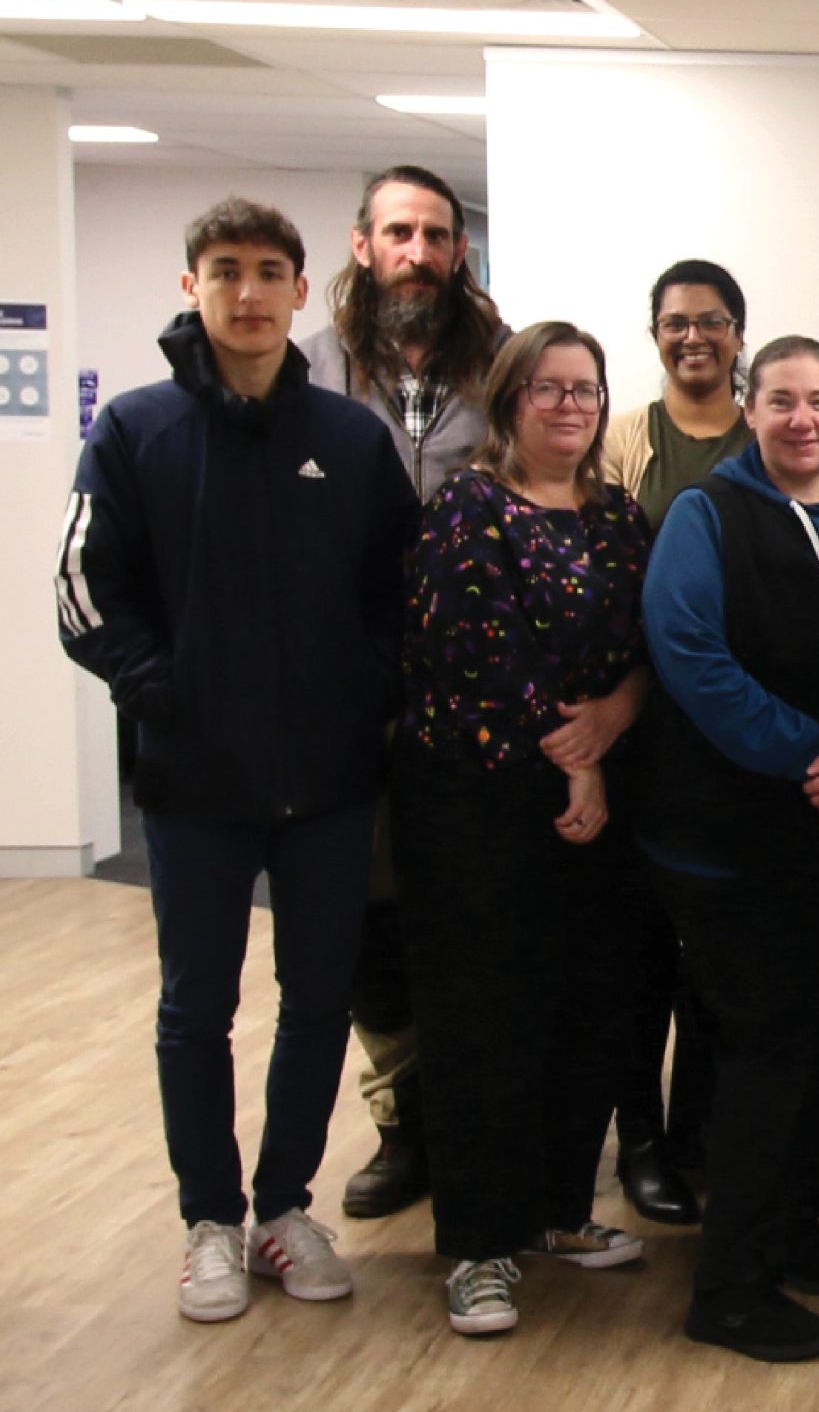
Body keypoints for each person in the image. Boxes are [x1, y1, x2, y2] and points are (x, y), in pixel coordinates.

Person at [56, 197, 415, 1320]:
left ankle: (280, 1209)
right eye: (226, 271)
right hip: (196, 783)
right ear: (192, 287)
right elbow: (83, 595)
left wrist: (367, 698)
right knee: (193, 1007)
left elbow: (401, 595)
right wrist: (158, 688)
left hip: (328, 780)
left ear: (303, 292)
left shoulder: (351, 440)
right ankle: (207, 1218)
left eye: (270, 272)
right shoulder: (136, 430)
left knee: (317, 1001)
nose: (249, 294)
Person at [638, 335, 819, 1362]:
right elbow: (694, 663)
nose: (804, 420)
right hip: (733, 844)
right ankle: (730, 1286)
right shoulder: (704, 517)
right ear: (749, 410)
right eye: (782, 401)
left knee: (818, 1048)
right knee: (764, 1055)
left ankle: (792, 1225)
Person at [394, 323, 653, 1337]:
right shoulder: (467, 510)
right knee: (485, 1024)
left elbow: (649, 642)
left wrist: (617, 721)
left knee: (587, 1012)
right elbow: (468, 660)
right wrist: (579, 762)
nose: (568, 407)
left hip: (601, 800)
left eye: (583, 390)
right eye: (546, 389)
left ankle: (554, 1211)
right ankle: (477, 1244)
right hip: (481, 804)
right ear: (509, 401)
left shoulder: (619, 516)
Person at [301, 164, 513, 1221]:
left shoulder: (504, 367)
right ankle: (403, 1123)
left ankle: (484, 1117)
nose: (418, 252)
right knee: (368, 922)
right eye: (399, 232)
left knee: (471, 915)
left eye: (435, 235)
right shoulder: (309, 374)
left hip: (476, 690)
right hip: (351, 692)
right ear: (361, 244)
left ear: (459, 251)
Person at [597, 258, 754, 1227]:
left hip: (734, 746)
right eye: (674, 323)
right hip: (640, 734)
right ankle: (642, 1146)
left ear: (740, 332)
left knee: (719, 959)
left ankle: (701, 1127)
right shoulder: (625, 442)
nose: (693, 337)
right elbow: (609, 586)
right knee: (639, 958)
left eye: (712, 322)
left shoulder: (764, 436)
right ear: (653, 334)